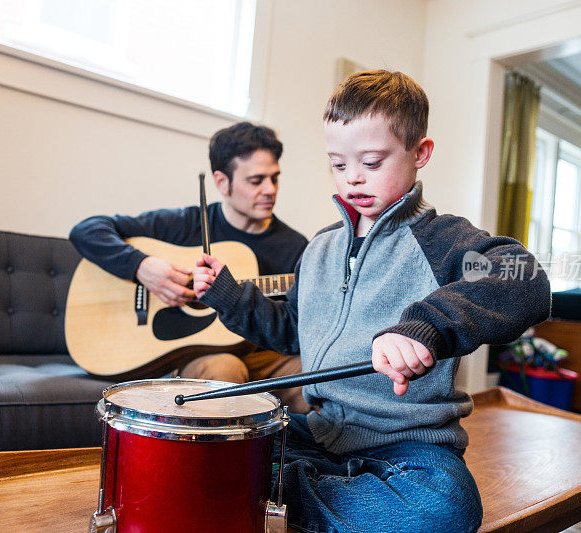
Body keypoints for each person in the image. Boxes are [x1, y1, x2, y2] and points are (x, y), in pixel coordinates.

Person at [192, 70, 552, 532]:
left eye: (372, 162)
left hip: (408, 448)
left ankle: (280, 501)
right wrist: (226, 294)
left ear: (420, 154)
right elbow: (289, 330)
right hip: (319, 432)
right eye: (339, 165)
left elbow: (524, 278)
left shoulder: (442, 239)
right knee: (216, 446)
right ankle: (301, 494)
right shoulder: (319, 248)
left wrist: (424, 325)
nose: (354, 178)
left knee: (446, 508)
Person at [69, 122, 310, 414]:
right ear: (222, 182)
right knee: (224, 371)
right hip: (202, 357)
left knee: (315, 371)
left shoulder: (294, 246)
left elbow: (296, 325)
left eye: (275, 178)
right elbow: (87, 230)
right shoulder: (187, 224)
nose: (270, 190)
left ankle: (301, 459)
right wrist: (142, 267)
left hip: (261, 354)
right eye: (256, 180)